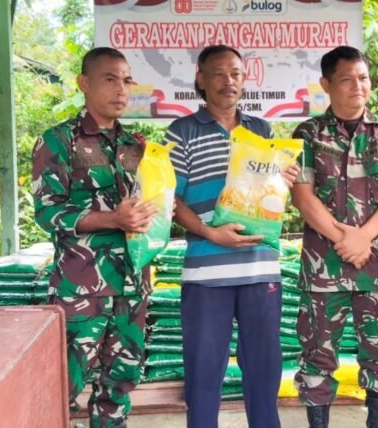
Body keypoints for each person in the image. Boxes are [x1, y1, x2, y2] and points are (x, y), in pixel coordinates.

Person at [164, 44, 298, 428]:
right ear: (201, 79)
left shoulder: (261, 130)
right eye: (219, 74)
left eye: (236, 73)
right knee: (204, 373)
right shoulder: (182, 132)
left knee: (264, 371)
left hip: (259, 267)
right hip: (207, 271)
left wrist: (283, 179)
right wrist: (210, 232)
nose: (229, 81)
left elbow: (269, 195)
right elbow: (171, 199)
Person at [291, 45, 378, 428]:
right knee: (317, 358)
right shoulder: (309, 133)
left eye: (363, 78)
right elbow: (302, 195)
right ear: (326, 84)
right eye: (347, 79)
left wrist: (365, 237)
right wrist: (344, 240)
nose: (358, 86)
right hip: (324, 269)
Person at [32, 47, 155, 427]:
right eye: (110, 79)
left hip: (132, 286)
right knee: (62, 384)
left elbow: (154, 205)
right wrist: (112, 218)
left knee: (119, 385)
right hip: (82, 288)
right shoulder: (59, 141)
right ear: (84, 83)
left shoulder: (137, 146)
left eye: (127, 81)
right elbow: (47, 212)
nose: (121, 90)